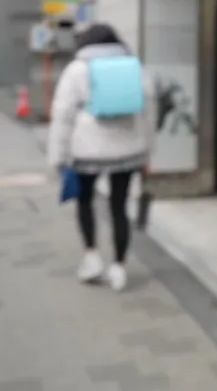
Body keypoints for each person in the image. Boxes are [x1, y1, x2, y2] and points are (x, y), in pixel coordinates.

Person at [46, 23, 156, 291]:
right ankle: (119, 267)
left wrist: (57, 157)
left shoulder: (76, 69)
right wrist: (147, 153)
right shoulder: (134, 67)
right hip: (127, 150)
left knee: (85, 201)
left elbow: (62, 115)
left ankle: (92, 257)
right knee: (119, 206)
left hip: (87, 150)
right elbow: (149, 111)